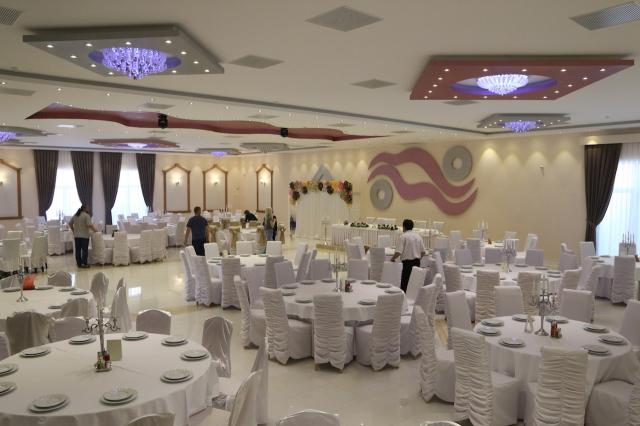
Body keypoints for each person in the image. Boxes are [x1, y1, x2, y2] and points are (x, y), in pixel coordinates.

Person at [390, 219, 426, 292]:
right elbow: (423, 252)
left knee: (405, 284)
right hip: (417, 263)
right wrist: (418, 259)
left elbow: (398, 252)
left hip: (407, 264)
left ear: (404, 227)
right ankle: (413, 297)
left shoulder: (403, 236)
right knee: (414, 284)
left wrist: (392, 259)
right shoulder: (418, 236)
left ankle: (404, 298)